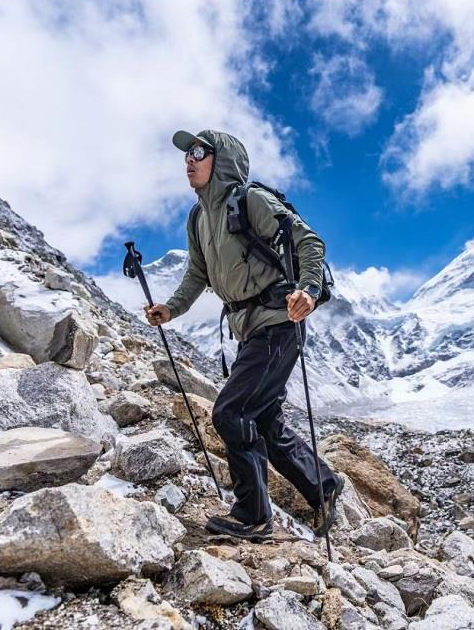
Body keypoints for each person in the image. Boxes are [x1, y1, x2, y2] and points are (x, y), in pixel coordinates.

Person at [144, 129, 342, 541]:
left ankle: (253, 515)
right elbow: (197, 274)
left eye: (199, 151)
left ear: (223, 160)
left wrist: (308, 289)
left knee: (231, 413)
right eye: (187, 153)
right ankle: (323, 486)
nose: (189, 159)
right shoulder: (198, 218)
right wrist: (172, 308)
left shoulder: (251, 200)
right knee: (264, 419)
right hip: (250, 329)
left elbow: (309, 241)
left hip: (279, 323)